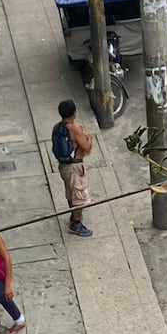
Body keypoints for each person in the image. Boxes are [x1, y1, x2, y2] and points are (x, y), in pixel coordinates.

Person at [53, 100, 93, 237]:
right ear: (74, 113)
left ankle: (73, 216)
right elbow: (86, 147)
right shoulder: (74, 129)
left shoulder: (57, 127)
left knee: (70, 192)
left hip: (63, 166)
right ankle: (76, 223)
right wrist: (89, 139)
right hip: (75, 166)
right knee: (80, 196)